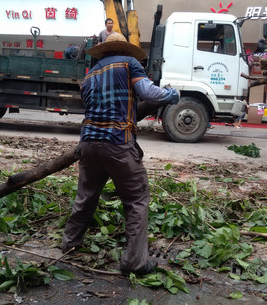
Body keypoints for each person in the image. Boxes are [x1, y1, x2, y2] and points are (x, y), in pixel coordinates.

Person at [61, 32, 180, 276]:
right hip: (117, 144)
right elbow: (149, 93)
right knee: (136, 200)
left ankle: (70, 244)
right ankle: (134, 263)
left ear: (103, 51)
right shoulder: (129, 63)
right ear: (124, 50)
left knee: (86, 196)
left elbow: (96, 106)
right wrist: (173, 94)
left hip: (88, 143)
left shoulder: (91, 74)